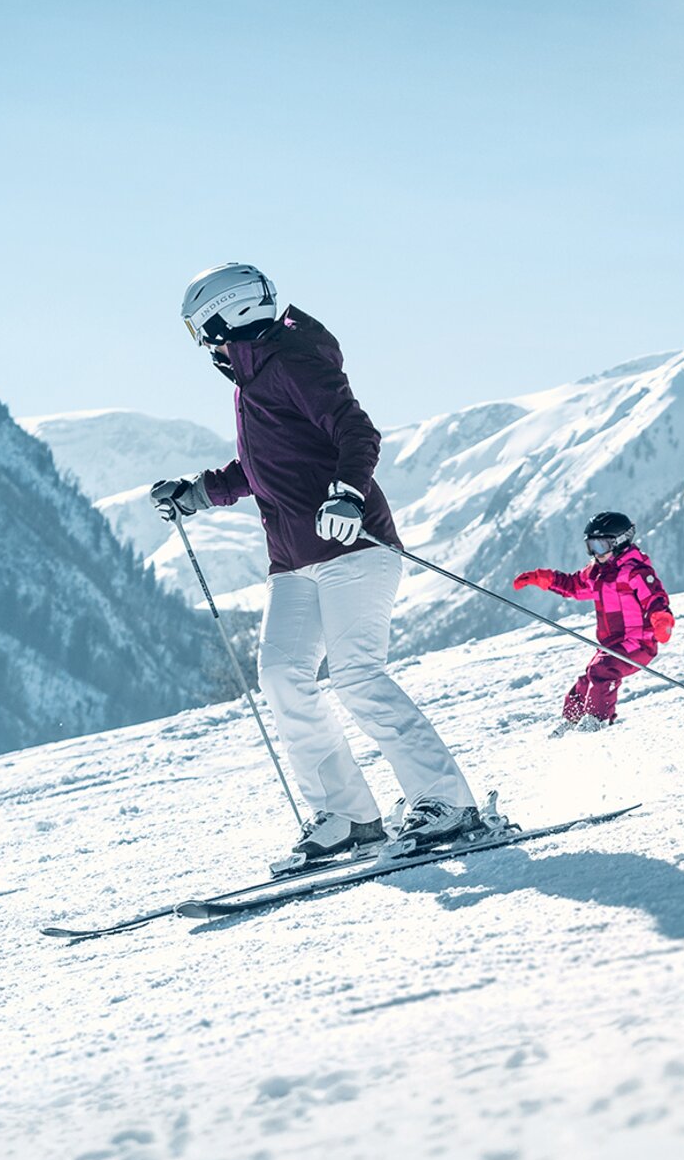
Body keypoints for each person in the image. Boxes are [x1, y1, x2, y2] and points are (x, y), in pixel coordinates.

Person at [151, 262, 478, 871]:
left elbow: (357, 430)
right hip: (294, 559)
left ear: (232, 315)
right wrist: (196, 493)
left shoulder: (293, 360)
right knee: (281, 675)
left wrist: (348, 493)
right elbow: (265, 467)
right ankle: (349, 814)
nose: (206, 344)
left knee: (356, 675)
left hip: (354, 546)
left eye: (205, 330)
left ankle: (446, 801)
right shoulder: (252, 381)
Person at [513, 512, 675, 729]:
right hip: (612, 645)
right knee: (587, 680)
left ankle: (597, 722)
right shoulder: (597, 574)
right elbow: (572, 585)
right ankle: (571, 722)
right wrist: (542, 577)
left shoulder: (635, 571)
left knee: (602, 670)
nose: (595, 554)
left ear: (619, 542)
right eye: (591, 547)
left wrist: (661, 621)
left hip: (638, 643)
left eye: (600, 546)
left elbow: (655, 598)